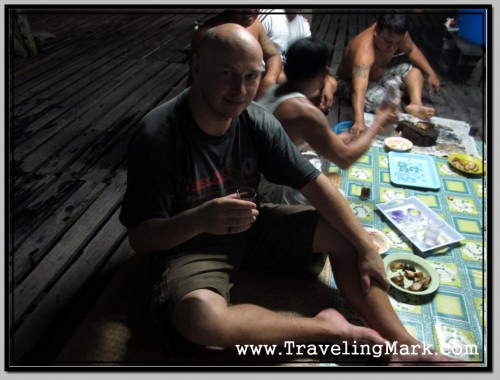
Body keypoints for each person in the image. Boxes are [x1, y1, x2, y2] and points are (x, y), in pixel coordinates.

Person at [119, 23, 463, 364]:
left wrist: (363, 245)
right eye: (227, 73)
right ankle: (327, 329)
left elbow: (315, 183)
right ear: (196, 66)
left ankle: (406, 345)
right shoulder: (159, 136)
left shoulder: (254, 120)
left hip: (250, 227)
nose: (240, 89)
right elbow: (141, 237)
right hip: (190, 249)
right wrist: (199, 219)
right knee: (198, 319)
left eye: (251, 76)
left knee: (347, 235)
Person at [257, 37, 397, 205]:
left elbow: (284, 140)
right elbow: (345, 159)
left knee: (320, 169)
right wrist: (378, 124)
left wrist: (333, 141)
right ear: (324, 74)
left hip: (260, 171)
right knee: (337, 200)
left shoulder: (272, 90)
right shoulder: (304, 111)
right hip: (270, 188)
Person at [336, 13, 441, 139]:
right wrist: (359, 122)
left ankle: (416, 104)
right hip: (350, 82)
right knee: (386, 102)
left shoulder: (397, 33)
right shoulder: (363, 52)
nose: (392, 47)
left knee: (414, 70)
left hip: (380, 72)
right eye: (387, 41)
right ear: (376, 32)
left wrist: (431, 73)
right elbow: (359, 90)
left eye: (398, 43)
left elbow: (411, 50)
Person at [189, 9, 282, 99]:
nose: (251, 11)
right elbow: (198, 86)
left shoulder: (255, 25)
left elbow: (273, 55)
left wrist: (269, 80)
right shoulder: (208, 37)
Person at [259, 9, 337, 114]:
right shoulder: (269, 16)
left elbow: (310, 57)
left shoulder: (302, 23)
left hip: (293, 73)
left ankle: (309, 106)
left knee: (331, 84)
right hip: (269, 74)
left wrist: (326, 81)